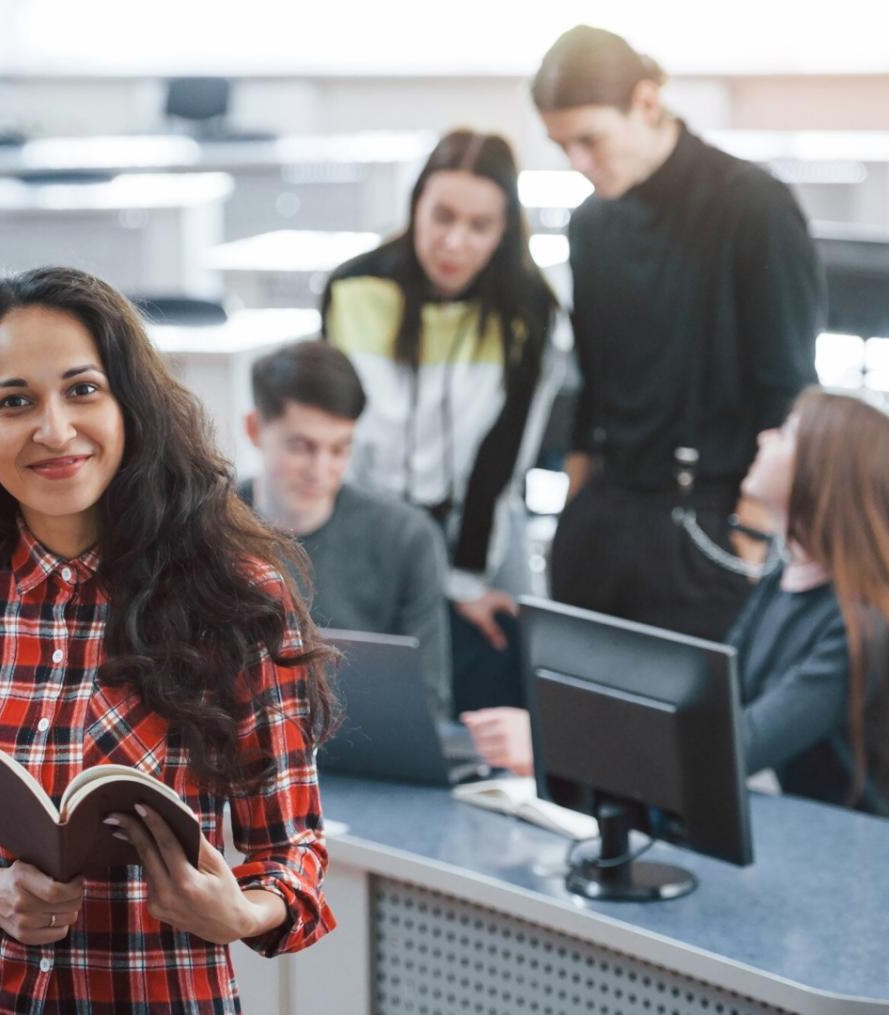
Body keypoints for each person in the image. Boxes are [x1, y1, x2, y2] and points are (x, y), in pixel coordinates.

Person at [0, 267, 340, 1014]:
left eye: (82, 390)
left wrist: (240, 912)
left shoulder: (239, 601)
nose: (54, 430)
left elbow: (293, 854)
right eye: (15, 401)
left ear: (130, 408)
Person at [464, 389, 889, 843]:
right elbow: (704, 708)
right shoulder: (784, 581)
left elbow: (732, 750)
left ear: (824, 471)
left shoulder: (865, 625)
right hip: (832, 841)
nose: (764, 438)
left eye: (786, 432)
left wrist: (556, 743)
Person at [531, 25, 823, 641]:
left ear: (646, 102)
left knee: (696, 706)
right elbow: (591, 387)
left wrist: (750, 530)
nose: (577, 163)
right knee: (575, 698)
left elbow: (789, 386)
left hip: (709, 521)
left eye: (589, 140)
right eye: (562, 146)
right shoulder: (591, 224)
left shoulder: (753, 206)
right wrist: (573, 514)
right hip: (605, 516)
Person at [321, 128, 565, 712]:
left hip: (476, 529)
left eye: (480, 226)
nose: (455, 242)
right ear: (416, 207)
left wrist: (464, 582)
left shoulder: (529, 311)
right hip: (371, 523)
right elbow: (335, 435)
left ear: (504, 231)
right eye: (442, 216)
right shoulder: (353, 289)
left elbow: (501, 463)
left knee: (514, 677)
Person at [239, 340, 452, 717]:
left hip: (368, 744)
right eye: (301, 447)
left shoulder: (406, 538)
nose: (320, 471)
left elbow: (428, 703)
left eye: (339, 450)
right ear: (255, 430)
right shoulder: (203, 525)